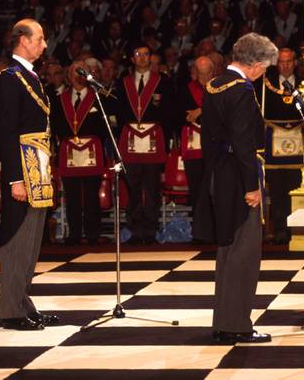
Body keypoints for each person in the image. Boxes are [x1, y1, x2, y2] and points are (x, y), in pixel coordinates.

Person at [194, 32, 278, 344]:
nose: (263, 74)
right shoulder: (242, 90)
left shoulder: (214, 84)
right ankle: (237, 324)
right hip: (240, 178)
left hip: (219, 174)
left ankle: (225, 320)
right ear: (255, 65)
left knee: (227, 250)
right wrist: (252, 186)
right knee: (244, 252)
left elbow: (209, 139)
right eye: (265, 68)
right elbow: (244, 144)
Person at [0, 18, 60, 330]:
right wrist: (14, 179)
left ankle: (23, 303)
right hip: (23, 171)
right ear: (22, 40)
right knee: (17, 240)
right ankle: (11, 310)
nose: (44, 45)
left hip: (38, 168)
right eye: (40, 38)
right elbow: (6, 132)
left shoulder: (30, 76)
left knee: (32, 241)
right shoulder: (10, 78)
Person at [114, 44, 171, 244]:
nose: (143, 58)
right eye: (138, 54)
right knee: (133, 187)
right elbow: (118, 112)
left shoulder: (162, 82)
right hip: (130, 138)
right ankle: (135, 230)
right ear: (132, 58)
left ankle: (151, 230)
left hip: (153, 138)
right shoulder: (123, 83)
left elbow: (167, 113)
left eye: (146, 54)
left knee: (153, 187)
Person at [52, 59, 106, 245]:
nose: (79, 75)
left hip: (92, 151)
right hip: (69, 152)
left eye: (83, 71)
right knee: (72, 195)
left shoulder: (98, 97)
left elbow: (104, 127)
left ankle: (93, 233)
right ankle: (74, 233)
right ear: (69, 75)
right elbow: (56, 126)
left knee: (92, 195)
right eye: (76, 71)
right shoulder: (60, 100)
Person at [259, 48, 303, 244]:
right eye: (281, 61)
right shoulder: (265, 86)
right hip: (273, 144)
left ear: (295, 63)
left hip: (298, 145)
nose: (285, 65)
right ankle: (280, 230)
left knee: (295, 185)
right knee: (277, 189)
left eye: (289, 61)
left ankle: (297, 229)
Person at [177, 56, 215, 216]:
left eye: (207, 74)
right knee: (196, 186)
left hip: (214, 145)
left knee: (213, 186)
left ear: (213, 72)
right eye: (200, 74)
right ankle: (198, 227)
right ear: (194, 73)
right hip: (193, 145)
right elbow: (184, 115)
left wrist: (200, 110)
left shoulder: (220, 89)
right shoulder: (186, 90)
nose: (204, 78)